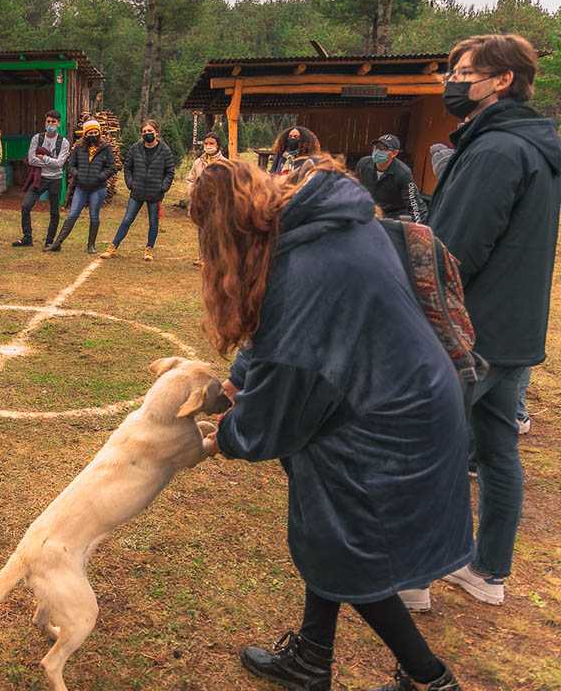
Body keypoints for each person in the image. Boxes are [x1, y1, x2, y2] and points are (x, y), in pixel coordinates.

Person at [192, 159, 473, 691]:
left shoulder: (303, 274)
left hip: (384, 419)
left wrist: (226, 434)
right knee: (329, 534)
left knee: (353, 555)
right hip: (394, 391)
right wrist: (238, 381)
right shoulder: (319, 224)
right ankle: (312, 656)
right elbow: (274, 336)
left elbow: (277, 409)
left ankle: (429, 679)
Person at [426, 33, 561, 607]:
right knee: (498, 450)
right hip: (514, 336)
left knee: (432, 449)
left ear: (502, 80)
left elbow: (453, 252)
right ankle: (488, 571)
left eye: (463, 71)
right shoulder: (533, 146)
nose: (452, 81)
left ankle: (413, 582)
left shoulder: (495, 150)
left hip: (468, 335)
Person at [101, 119, 174, 262]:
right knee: (127, 219)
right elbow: (128, 167)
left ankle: (149, 249)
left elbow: (170, 171)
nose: (147, 134)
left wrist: (163, 187)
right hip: (137, 191)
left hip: (155, 192)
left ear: (157, 132)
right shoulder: (136, 148)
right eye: (144, 132)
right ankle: (113, 247)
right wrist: (131, 183)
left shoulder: (165, 150)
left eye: (150, 131)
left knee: (153, 222)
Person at [44, 119, 117, 254]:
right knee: (72, 215)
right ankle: (57, 243)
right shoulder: (78, 148)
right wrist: (78, 175)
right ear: (85, 134)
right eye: (90, 132)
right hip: (81, 188)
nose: (93, 134)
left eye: (96, 132)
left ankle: (91, 245)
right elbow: (71, 165)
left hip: (98, 188)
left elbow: (112, 167)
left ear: (99, 133)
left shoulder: (105, 148)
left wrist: (100, 177)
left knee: (94, 216)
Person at [13, 110, 69, 248]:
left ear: (58, 124)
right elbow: (31, 160)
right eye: (48, 122)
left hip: (55, 179)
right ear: (45, 123)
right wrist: (51, 161)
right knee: (26, 206)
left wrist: (43, 157)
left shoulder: (64, 142)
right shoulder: (37, 139)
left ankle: (50, 241)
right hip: (39, 178)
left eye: (53, 122)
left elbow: (60, 164)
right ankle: (27, 238)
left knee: (54, 212)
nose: (50, 124)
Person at [354, 134, 425, 222]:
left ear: (394, 153)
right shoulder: (363, 163)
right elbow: (354, 189)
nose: (378, 151)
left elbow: (415, 205)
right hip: (369, 210)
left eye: (383, 149)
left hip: (393, 215)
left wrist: (420, 226)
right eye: (376, 147)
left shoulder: (403, 173)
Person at [182, 133, 228, 205]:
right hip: (199, 203)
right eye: (206, 144)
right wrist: (192, 193)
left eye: (211, 143)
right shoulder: (198, 162)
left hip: (219, 204)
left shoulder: (225, 164)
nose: (208, 146)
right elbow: (191, 180)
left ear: (218, 145)